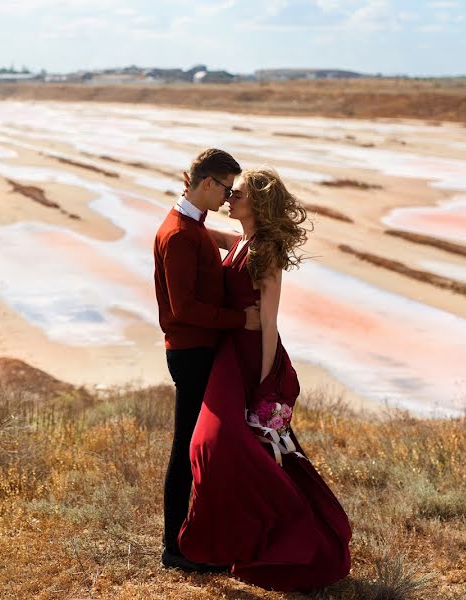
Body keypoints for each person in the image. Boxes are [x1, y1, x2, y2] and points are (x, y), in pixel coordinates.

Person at [178, 167, 352, 592]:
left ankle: (296, 540)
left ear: (256, 203)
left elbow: (270, 322)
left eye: (236, 194)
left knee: (231, 446)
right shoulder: (243, 242)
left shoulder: (266, 252)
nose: (229, 198)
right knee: (218, 446)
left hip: (253, 361)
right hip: (230, 358)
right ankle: (246, 540)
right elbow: (198, 234)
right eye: (228, 192)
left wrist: (265, 384)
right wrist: (188, 204)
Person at [152, 148, 261, 572]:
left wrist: (232, 241)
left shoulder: (189, 224)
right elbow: (184, 309)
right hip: (191, 352)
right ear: (207, 183)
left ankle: (192, 538)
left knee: (201, 448)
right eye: (227, 188)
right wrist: (242, 319)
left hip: (196, 349)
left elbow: (200, 237)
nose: (229, 198)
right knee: (186, 451)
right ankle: (174, 550)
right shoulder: (180, 234)